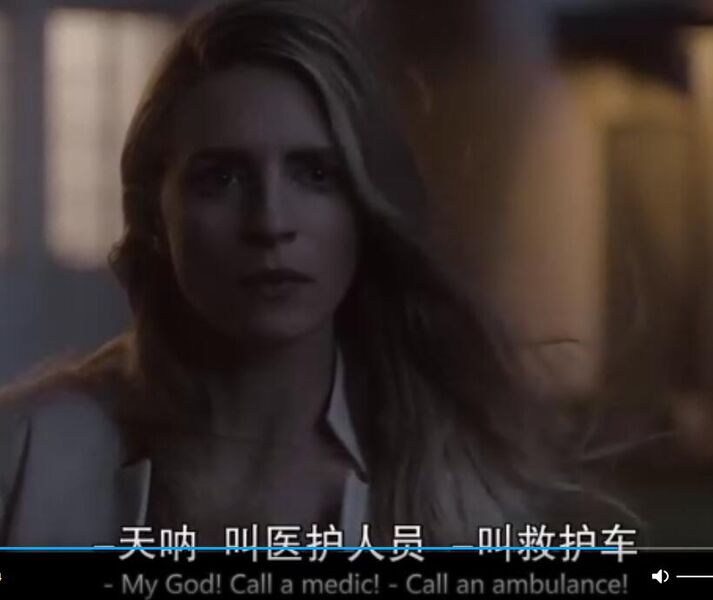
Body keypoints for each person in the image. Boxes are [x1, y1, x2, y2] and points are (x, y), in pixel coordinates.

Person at [0, 0, 574, 548]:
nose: (271, 223)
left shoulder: (456, 496)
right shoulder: (30, 457)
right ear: (155, 213)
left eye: (315, 174)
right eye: (222, 178)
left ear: (363, 204)